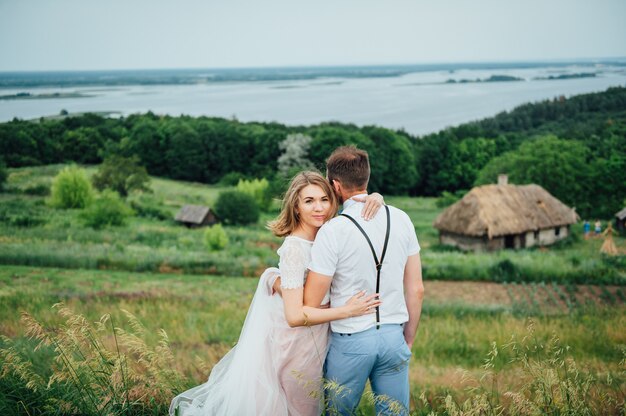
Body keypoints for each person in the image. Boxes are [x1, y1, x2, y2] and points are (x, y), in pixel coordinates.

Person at [170, 171, 383, 416]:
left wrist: (376, 197)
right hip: (297, 343)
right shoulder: (295, 248)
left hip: (320, 337)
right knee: (300, 408)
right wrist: (347, 311)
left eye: (324, 199)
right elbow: (294, 317)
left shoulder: (330, 236)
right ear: (296, 207)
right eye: (309, 201)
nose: (319, 208)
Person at [304, 146, 424, 415]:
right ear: (367, 178)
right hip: (395, 335)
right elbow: (416, 290)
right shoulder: (403, 219)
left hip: (350, 340)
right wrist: (408, 339)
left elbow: (311, 302)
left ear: (335, 185)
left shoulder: (332, 230)